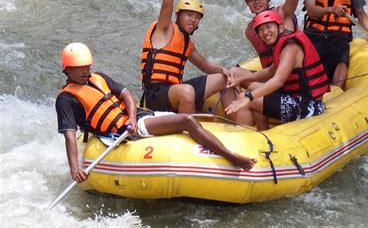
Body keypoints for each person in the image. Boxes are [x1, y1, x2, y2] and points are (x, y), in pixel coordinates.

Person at [56, 43, 256, 183]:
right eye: (79, 68)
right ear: (67, 70)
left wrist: (132, 118)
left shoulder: (98, 78)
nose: (84, 71)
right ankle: (231, 157)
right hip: (120, 133)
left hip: (136, 120)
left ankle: (223, 150)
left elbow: (126, 96)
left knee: (188, 120)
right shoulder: (66, 99)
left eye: (86, 66)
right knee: (186, 120)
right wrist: (75, 168)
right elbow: (70, 136)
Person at [140, 0, 235, 114]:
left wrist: (224, 70)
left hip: (176, 90)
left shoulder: (187, 44)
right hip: (155, 95)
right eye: (189, 15)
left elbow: (205, 66)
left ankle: (238, 126)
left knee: (225, 79)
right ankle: (189, 129)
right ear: (179, 16)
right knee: (187, 91)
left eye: (197, 17)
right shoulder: (165, 29)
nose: (193, 20)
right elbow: (166, 6)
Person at [225, 11, 330, 131]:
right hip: (294, 98)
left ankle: (245, 139)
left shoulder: (291, 48)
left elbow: (278, 81)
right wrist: (242, 79)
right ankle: (263, 132)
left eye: (269, 27)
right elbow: (270, 71)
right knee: (254, 95)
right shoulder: (281, 45)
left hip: (307, 106)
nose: (265, 32)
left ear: (280, 28)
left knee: (245, 99)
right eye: (261, 30)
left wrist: (248, 96)